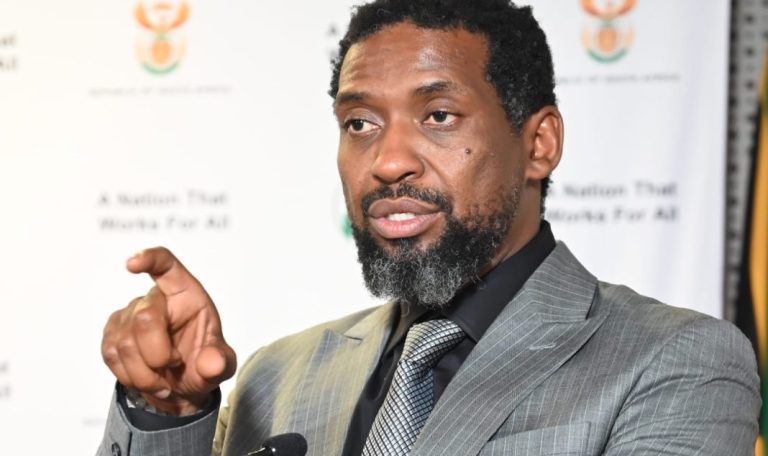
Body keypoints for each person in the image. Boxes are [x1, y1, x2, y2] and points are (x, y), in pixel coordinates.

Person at [97, 0, 761, 455]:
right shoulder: (275, 376)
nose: (388, 161)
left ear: (539, 144)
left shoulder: (676, 362)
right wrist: (166, 414)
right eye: (360, 123)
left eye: (439, 116)